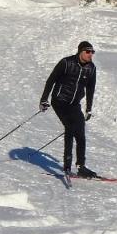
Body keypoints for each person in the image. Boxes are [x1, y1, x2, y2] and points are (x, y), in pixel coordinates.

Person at [39, 40, 97, 178]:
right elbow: (51, 80)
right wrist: (44, 99)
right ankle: (67, 165)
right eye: (87, 52)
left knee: (81, 132)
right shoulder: (66, 63)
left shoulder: (91, 68)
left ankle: (81, 166)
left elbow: (90, 89)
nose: (90, 55)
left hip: (74, 104)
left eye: (92, 52)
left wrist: (88, 109)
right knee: (70, 127)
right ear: (80, 51)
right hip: (60, 101)